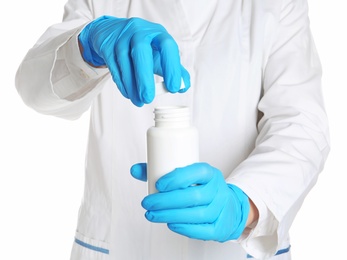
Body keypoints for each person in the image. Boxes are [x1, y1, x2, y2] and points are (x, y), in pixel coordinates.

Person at [15, 0, 330, 259]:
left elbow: (302, 124)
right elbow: (35, 88)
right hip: (121, 245)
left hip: (234, 251)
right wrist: (86, 47)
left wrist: (244, 204)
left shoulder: (277, 5)